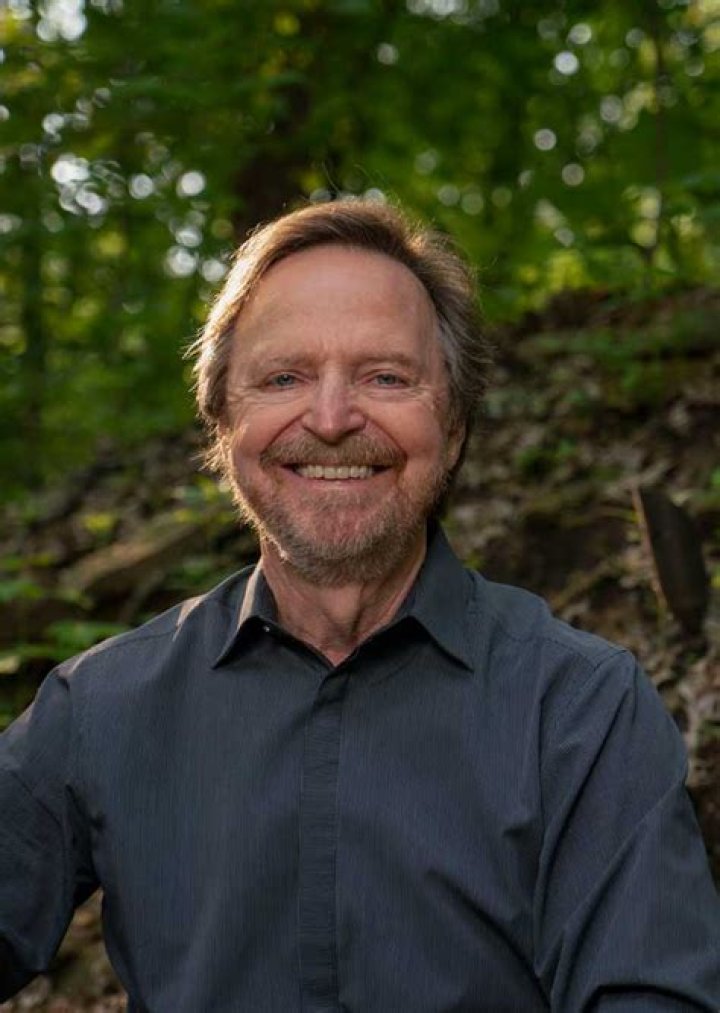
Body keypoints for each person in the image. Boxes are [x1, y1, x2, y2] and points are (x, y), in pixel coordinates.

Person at [1, 198, 718, 1012]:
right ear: (223, 422)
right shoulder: (99, 707)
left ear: (453, 425)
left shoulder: (583, 709)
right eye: (284, 377)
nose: (333, 419)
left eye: (386, 376)